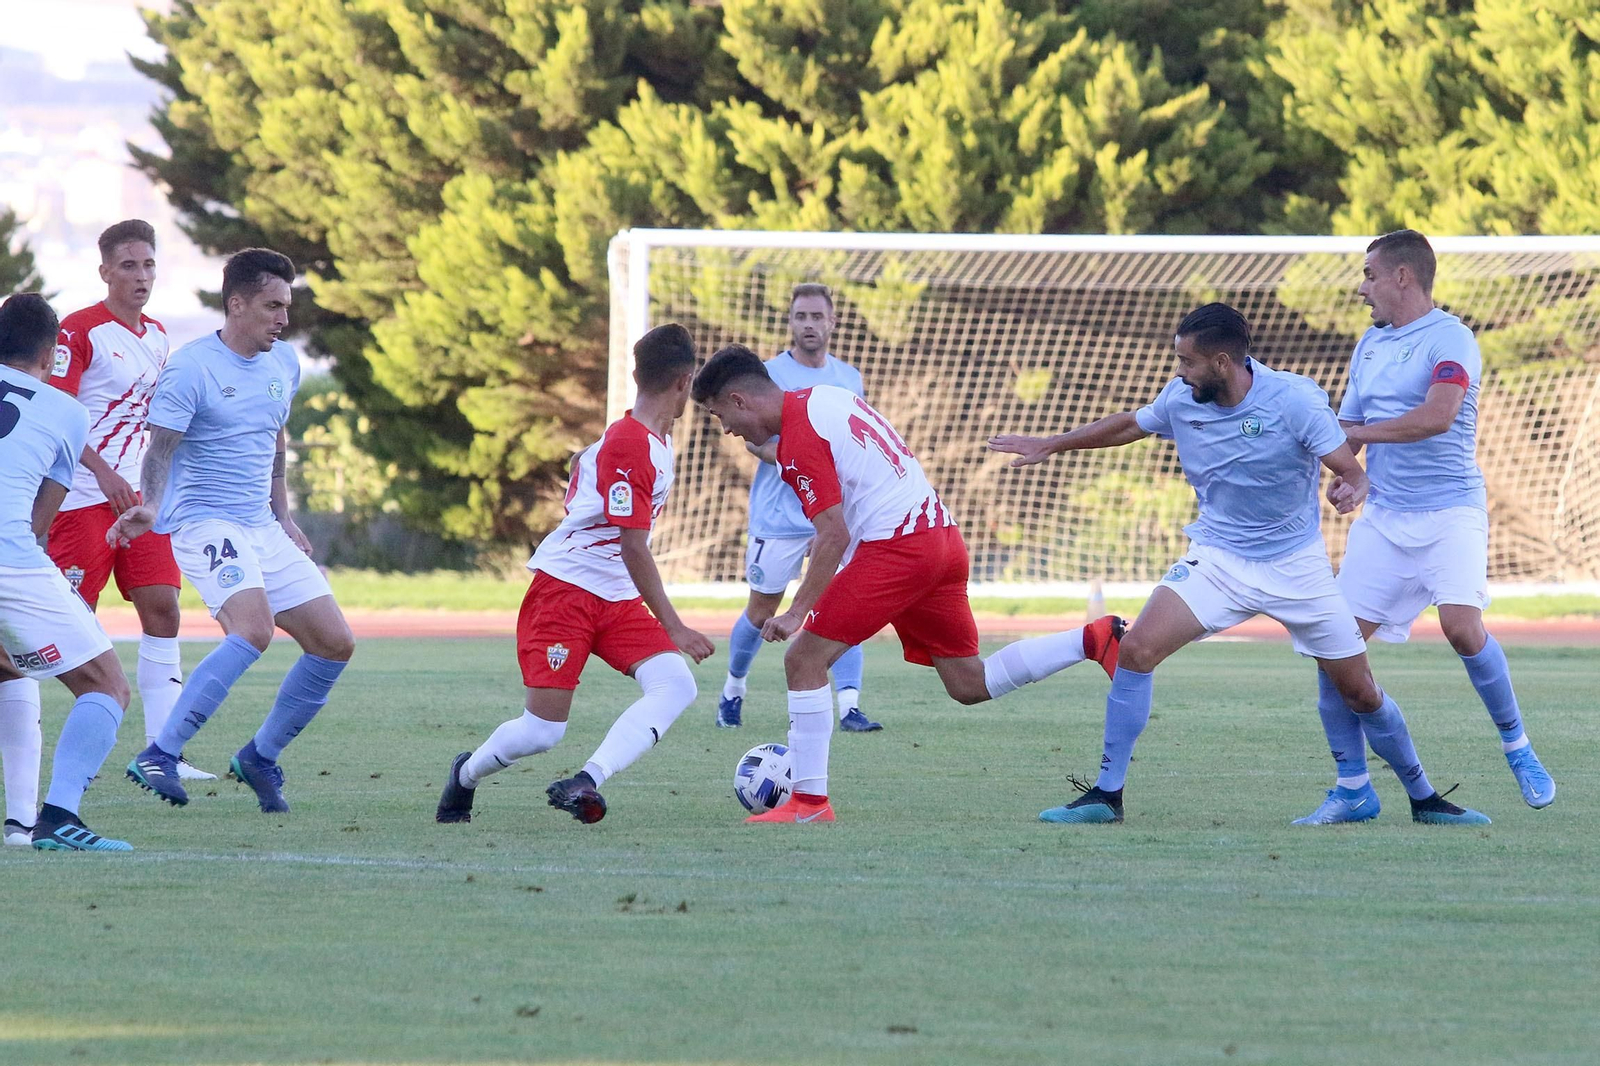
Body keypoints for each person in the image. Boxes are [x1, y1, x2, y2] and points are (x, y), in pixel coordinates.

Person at [988, 303, 1489, 827]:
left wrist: (1353, 487)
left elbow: (1351, 469)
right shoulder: (1180, 397)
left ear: (1222, 362)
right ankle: (1106, 795)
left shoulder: (1294, 400)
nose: (1179, 372)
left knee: (1360, 691)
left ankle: (1424, 797)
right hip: (1218, 561)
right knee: (1136, 649)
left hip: (1297, 568)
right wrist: (1052, 444)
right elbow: (1129, 426)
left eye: (1187, 362)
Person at [694, 344, 1123, 825]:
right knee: (968, 683)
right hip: (940, 537)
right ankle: (1093, 639)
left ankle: (809, 805)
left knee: (803, 659)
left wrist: (796, 612)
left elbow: (833, 534)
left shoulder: (798, 438)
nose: (727, 430)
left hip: (898, 549)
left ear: (738, 399)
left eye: (719, 416)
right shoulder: (825, 397)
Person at [436, 323, 714, 826]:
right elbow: (633, 546)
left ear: (636, 375)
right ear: (685, 381)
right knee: (542, 732)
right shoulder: (632, 442)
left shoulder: (647, 439)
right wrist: (674, 625)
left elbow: (585, 465)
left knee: (676, 685)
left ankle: (587, 780)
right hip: (567, 593)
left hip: (616, 598)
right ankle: (466, 774)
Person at [110, 248, 354, 813]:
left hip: (261, 525)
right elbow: (160, 449)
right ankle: (160, 753)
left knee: (334, 643)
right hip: (204, 523)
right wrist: (150, 505)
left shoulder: (283, 363)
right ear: (237, 304)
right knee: (253, 629)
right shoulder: (191, 368)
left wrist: (284, 515)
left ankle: (260, 757)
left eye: (287, 307)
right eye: (273, 306)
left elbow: (274, 437)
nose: (283, 319)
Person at [1319, 229, 1554, 815]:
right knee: (1334, 648)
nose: (1362, 288)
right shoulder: (1369, 345)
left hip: (1451, 512)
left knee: (1462, 628)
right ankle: (1353, 789)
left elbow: (1437, 416)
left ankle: (1518, 747)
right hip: (1385, 519)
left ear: (1402, 276)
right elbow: (1350, 428)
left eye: (1369, 275)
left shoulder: (1452, 339)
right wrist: (1351, 474)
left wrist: (1354, 438)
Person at [44, 220, 212, 781]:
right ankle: (60, 737)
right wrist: (102, 472)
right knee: (67, 623)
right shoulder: (78, 331)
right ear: (105, 272)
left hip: (140, 502)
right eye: (129, 266)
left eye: (149, 265)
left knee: (163, 607)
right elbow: (57, 415)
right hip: (80, 499)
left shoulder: (159, 336)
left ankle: (163, 755)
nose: (141, 276)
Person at [0, 293, 135, 851]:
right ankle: (57, 819)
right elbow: (39, 523)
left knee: (7, 667)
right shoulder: (66, 411)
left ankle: (18, 824)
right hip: (10, 559)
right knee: (107, 685)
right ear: (51, 354)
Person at [717, 284, 878, 732]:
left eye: (816, 316)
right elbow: (754, 441)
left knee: (841, 603)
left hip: (833, 514)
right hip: (781, 516)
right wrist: (803, 463)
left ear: (832, 322)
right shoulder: (769, 375)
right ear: (790, 322)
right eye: (801, 316)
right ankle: (732, 690)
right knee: (761, 612)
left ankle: (850, 706)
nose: (809, 324)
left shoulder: (849, 378)